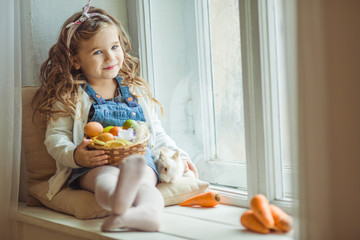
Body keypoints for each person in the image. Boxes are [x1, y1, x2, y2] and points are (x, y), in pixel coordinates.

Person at [33, 0, 198, 232]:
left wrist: (177, 154)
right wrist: (75, 156)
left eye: (114, 47)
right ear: (75, 60)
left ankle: (146, 214)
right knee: (105, 181)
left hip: (140, 160)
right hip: (95, 163)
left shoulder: (135, 90)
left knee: (145, 185)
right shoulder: (71, 95)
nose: (110, 58)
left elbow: (156, 132)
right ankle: (122, 208)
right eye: (98, 52)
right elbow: (56, 137)